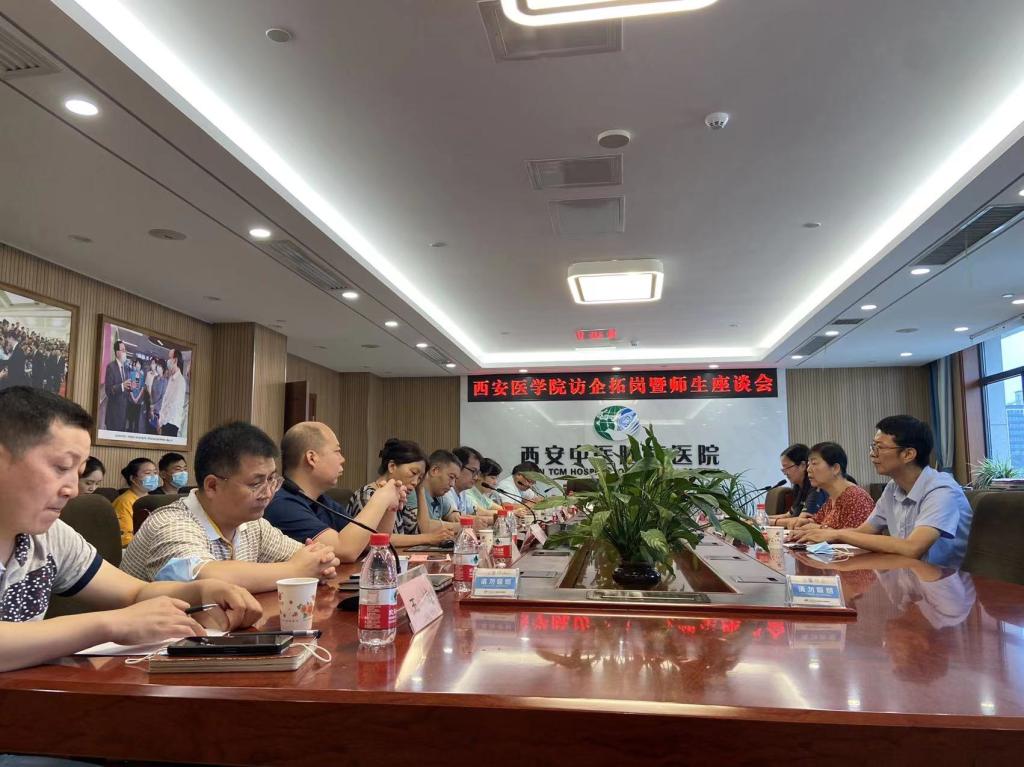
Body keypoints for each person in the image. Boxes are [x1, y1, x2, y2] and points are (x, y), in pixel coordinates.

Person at [0, 386, 261, 673]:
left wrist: (200, 591)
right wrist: (110, 624)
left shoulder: (50, 536)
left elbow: (133, 593)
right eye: (61, 467)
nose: (72, 490)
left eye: (78, 472)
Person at [120, 421, 340, 592]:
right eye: (256, 483)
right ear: (213, 485)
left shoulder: (253, 526)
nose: (268, 493)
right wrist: (295, 570)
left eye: (272, 480)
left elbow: (309, 558)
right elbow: (205, 579)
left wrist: (319, 562)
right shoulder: (171, 524)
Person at [792, 416, 973, 567]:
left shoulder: (941, 490)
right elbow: (864, 531)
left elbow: (912, 548)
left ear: (908, 454)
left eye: (880, 448)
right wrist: (822, 534)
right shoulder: (893, 487)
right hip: (906, 580)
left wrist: (837, 534)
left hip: (943, 587)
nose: (872, 454)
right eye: (873, 447)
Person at [264, 422, 406, 561]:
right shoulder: (282, 504)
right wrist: (381, 498)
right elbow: (346, 550)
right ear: (312, 458)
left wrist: (390, 507)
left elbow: (370, 543)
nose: (342, 459)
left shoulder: (323, 501)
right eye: (337, 451)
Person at [358, 439, 455, 547]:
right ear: (392, 467)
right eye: (413, 473)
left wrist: (420, 489)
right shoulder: (367, 495)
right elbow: (373, 539)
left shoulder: (399, 498)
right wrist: (429, 538)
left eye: (420, 478)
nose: (415, 482)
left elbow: (421, 529)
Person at [781, 442, 874, 531]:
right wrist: (805, 522)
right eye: (808, 464)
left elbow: (855, 537)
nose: (808, 469)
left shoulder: (855, 498)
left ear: (835, 468)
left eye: (814, 463)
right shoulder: (832, 499)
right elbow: (816, 521)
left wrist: (819, 528)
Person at [405, 449, 462, 532]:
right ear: (434, 470)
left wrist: (456, 516)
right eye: (451, 477)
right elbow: (423, 527)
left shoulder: (439, 495)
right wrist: (462, 526)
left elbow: (453, 515)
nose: (452, 484)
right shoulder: (413, 492)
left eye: (455, 479)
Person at [768, 444, 825, 523]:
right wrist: (760, 519)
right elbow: (788, 515)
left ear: (802, 465)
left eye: (787, 467)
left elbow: (802, 521)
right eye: (783, 469)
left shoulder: (816, 487)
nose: (785, 473)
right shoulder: (799, 487)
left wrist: (770, 522)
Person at [112, 457, 160, 546]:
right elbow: (125, 539)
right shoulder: (124, 502)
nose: (153, 476)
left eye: (155, 473)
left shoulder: (153, 499)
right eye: (148, 473)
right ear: (133, 478)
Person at [102, 339, 132, 432]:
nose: (125, 352)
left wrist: (130, 387)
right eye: (123, 350)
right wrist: (122, 386)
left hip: (124, 412)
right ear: (117, 352)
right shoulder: (111, 367)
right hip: (114, 414)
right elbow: (108, 390)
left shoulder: (126, 368)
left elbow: (127, 388)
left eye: (125, 350)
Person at [158, 348, 186, 438]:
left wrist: (162, 421)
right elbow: (165, 400)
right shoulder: (171, 378)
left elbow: (172, 405)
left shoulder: (180, 381)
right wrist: (160, 419)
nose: (168, 361)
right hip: (165, 422)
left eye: (169, 358)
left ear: (175, 360)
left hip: (171, 423)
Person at [148, 357, 167, 434]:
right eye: (158, 366)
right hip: (151, 408)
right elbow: (151, 392)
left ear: (163, 369)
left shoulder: (165, 381)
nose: (158, 368)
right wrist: (151, 405)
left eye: (160, 366)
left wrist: (154, 407)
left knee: (155, 431)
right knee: (149, 429)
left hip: (158, 411)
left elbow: (163, 398)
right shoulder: (155, 378)